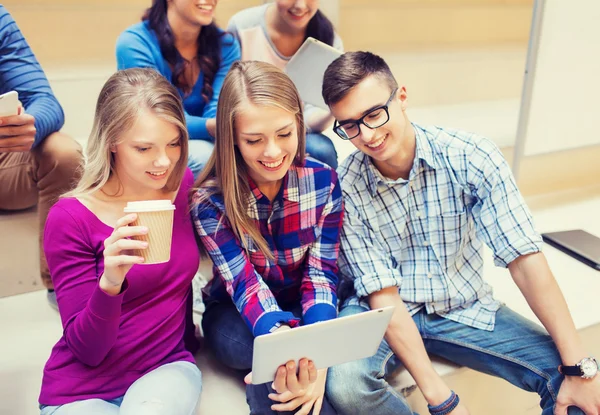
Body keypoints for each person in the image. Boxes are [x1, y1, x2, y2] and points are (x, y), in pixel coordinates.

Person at [321, 51, 600, 415]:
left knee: (577, 387)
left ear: (401, 97)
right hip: (379, 311)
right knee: (346, 384)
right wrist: (442, 399)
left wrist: (578, 366)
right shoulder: (346, 185)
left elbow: (525, 259)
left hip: (461, 305)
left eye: (374, 114)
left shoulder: (471, 156)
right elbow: (383, 296)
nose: (368, 135)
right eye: (351, 126)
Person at [38, 68, 202, 414]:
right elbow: (87, 350)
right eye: (144, 148)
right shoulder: (70, 218)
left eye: (173, 143)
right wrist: (110, 283)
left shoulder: (182, 184)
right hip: (80, 388)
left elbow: (176, 286)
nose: (164, 161)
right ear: (111, 142)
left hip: (165, 367)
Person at [192, 60, 342, 414]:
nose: (273, 152)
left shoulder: (324, 182)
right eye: (254, 140)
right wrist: (281, 338)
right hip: (236, 312)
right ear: (232, 139)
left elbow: (322, 274)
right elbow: (244, 285)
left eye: (284, 134)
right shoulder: (210, 202)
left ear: (299, 126)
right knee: (274, 360)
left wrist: (316, 344)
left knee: (286, 370)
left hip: (301, 303)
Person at [0, 5, 82, 308]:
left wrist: (28, 128)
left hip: (6, 163)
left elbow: (45, 100)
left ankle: (61, 286)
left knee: (63, 152)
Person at [116, 0, 240, 178]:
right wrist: (215, 127)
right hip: (153, 142)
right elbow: (159, 116)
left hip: (208, 140)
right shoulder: (134, 43)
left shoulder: (226, 45)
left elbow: (219, 107)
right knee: (205, 156)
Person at [227, 0, 341, 169]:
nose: (300, 6)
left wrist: (333, 108)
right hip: (251, 129)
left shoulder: (328, 38)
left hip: (297, 131)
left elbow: (313, 112)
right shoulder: (243, 26)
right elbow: (229, 95)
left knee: (321, 150)